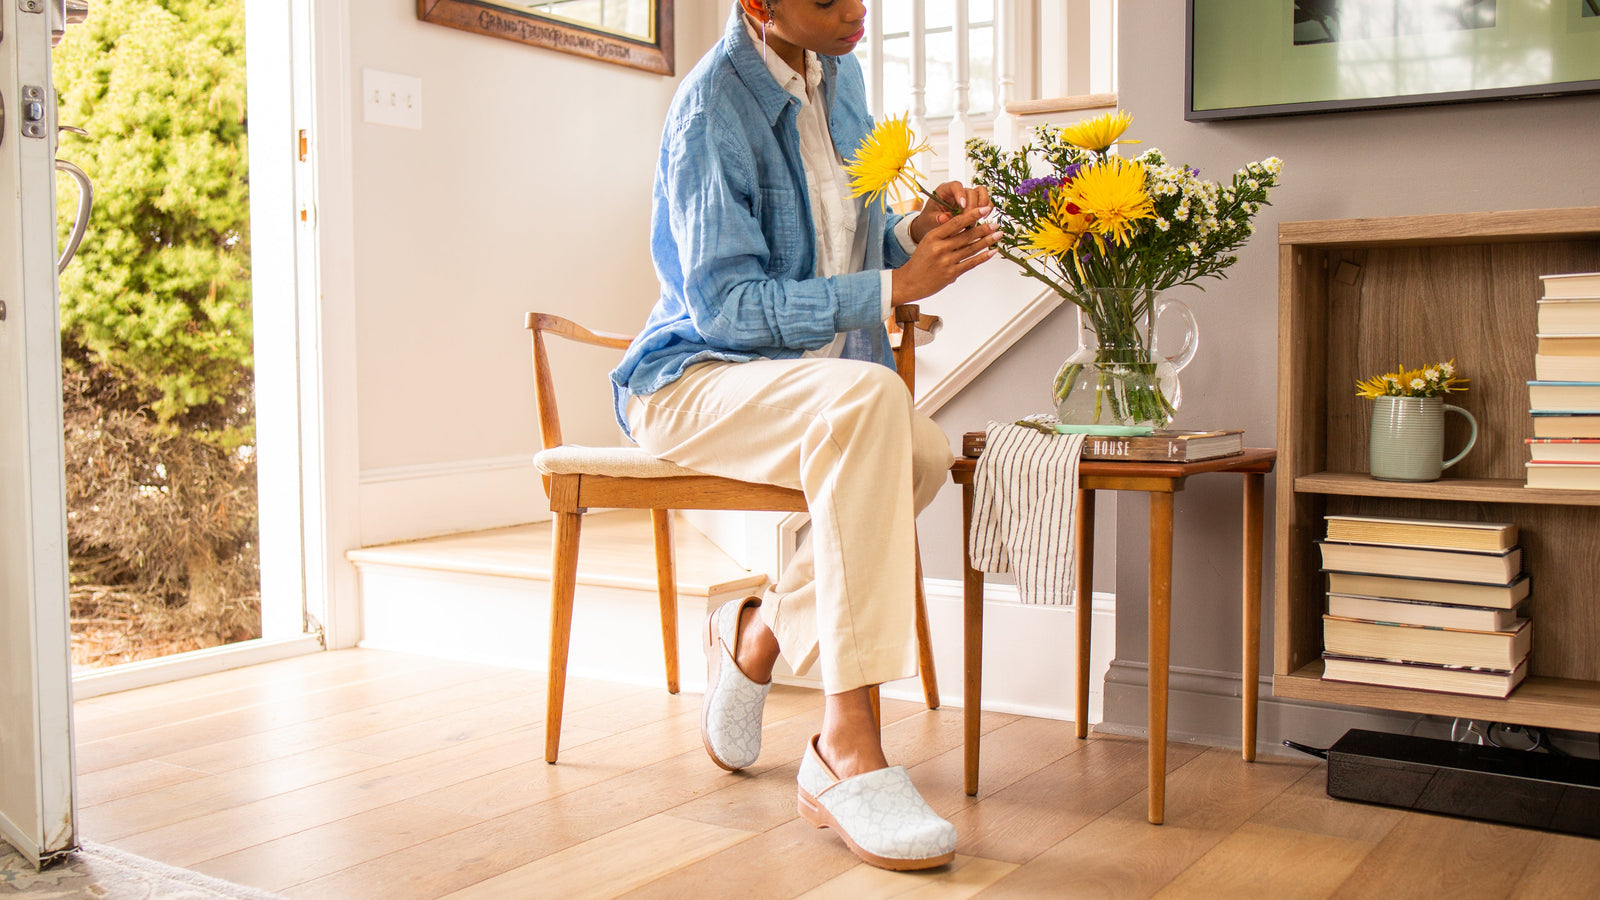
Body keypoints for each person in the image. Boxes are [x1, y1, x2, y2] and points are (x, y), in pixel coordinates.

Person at [609, 0, 999, 872]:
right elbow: (729, 309)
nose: (857, 10)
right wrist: (893, 289)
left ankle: (754, 635)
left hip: (811, 379)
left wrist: (913, 231)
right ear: (758, 6)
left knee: (921, 448)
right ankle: (845, 746)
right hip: (694, 379)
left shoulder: (841, 72)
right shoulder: (712, 109)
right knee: (874, 406)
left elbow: (845, 236)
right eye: (828, 0)